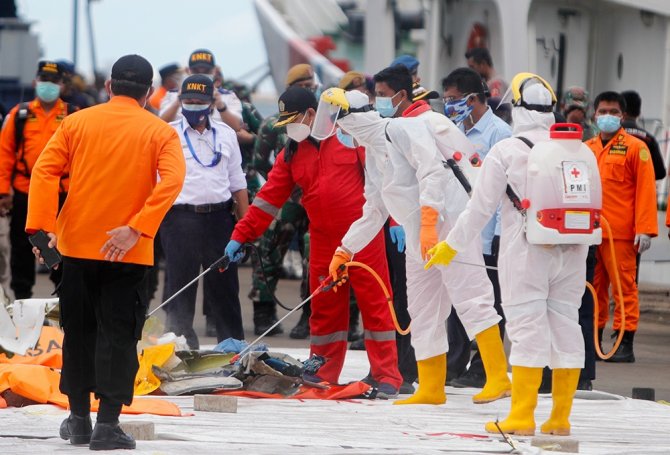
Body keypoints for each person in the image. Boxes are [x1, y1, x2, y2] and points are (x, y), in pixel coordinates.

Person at [26, 54, 185, 450]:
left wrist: (42, 231)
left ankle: (78, 419)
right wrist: (137, 227)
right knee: (117, 335)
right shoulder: (159, 131)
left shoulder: (76, 122)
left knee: (78, 332)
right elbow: (173, 181)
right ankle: (107, 425)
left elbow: (44, 171)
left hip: (75, 248)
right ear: (149, 93)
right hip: (128, 255)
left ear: (110, 86)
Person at [321, 84, 506, 406]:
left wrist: (431, 224)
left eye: (340, 125)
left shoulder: (402, 129)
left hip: (447, 221)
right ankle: (432, 387)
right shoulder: (375, 154)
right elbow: (374, 209)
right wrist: (345, 250)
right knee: (422, 307)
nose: (339, 132)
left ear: (353, 122)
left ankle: (499, 378)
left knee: (471, 297)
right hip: (420, 229)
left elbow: (433, 171)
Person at [426, 73, 588, 436]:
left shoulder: (508, 150)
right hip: (574, 250)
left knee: (526, 329)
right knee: (566, 326)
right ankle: (560, 418)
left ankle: (522, 415)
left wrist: (450, 244)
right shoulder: (579, 148)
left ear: (516, 108)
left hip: (527, 250)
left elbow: (479, 209)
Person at [226, 86, 402, 397]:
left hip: (363, 236)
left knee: (375, 304)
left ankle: (386, 375)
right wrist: (241, 235)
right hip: (322, 239)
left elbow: (385, 180)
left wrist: (397, 221)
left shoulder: (351, 137)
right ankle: (322, 370)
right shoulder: (291, 153)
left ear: (312, 114)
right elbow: (268, 200)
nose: (290, 128)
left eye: (294, 120)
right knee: (324, 308)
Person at [158, 74, 248, 349]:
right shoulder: (168, 134)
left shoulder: (227, 134)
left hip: (219, 219)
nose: (193, 106)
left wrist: (245, 229)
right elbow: (155, 181)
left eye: (199, 101)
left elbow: (238, 183)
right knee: (179, 286)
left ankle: (231, 347)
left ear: (211, 103)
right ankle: (182, 347)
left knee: (225, 288)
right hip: (179, 219)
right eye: (188, 101)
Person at [441, 67, 512, 388]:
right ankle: (454, 362)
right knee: (458, 299)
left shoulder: (499, 134)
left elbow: (506, 189)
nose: (449, 105)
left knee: (491, 304)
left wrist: (499, 234)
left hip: (488, 233)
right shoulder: (454, 129)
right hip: (459, 230)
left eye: (453, 99)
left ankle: (483, 366)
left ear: (473, 98)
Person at [586, 91, 658, 363]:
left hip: (622, 235)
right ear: (595, 114)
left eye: (613, 112)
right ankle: (593, 338)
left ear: (623, 116)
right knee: (593, 289)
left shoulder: (635, 148)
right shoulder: (587, 148)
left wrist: (645, 229)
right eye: (603, 111)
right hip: (591, 233)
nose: (607, 116)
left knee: (624, 289)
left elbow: (646, 190)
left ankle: (624, 341)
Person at [247, 64, 315, 338]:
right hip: (285, 201)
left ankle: (308, 316)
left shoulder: (321, 125)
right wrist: (283, 186)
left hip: (313, 200)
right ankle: (263, 313)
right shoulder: (272, 125)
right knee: (268, 252)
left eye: (312, 86)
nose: (311, 90)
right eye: (305, 86)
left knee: (314, 258)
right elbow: (259, 163)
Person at [0, 60, 76, 300]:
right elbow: (5, 154)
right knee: (23, 247)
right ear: (35, 82)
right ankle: (22, 300)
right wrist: (3, 192)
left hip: (62, 193)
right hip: (26, 192)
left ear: (62, 85)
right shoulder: (19, 115)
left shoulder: (73, 116)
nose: (48, 85)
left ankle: (61, 299)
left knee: (61, 248)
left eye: (54, 81)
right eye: (44, 80)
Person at [160, 49, 242, 131]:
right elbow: (161, 124)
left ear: (215, 70)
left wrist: (221, 106)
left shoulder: (228, 96)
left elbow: (237, 127)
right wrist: (179, 100)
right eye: (195, 70)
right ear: (188, 70)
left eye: (207, 70)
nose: (201, 74)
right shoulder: (172, 95)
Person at [621, 90, 666, 181]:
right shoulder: (649, 139)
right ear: (638, 113)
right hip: (640, 191)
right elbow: (660, 173)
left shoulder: (609, 136)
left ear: (620, 110)